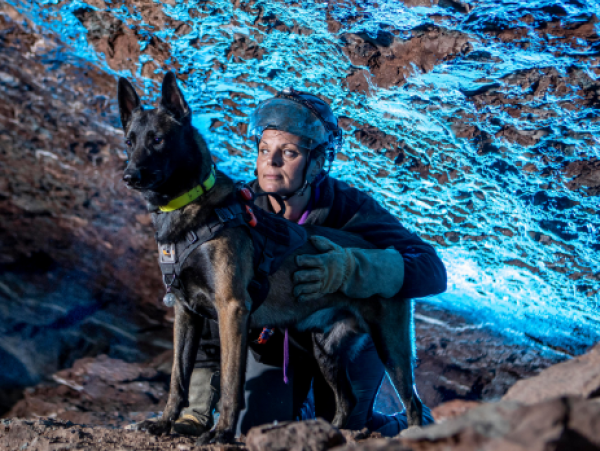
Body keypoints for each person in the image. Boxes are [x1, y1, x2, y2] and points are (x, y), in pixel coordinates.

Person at [171, 89, 447, 437]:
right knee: (258, 433)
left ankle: (397, 425)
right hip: (274, 347)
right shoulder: (234, 211)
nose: (271, 163)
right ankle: (297, 410)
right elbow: (207, 305)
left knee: (349, 430)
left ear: (317, 162)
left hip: (346, 341)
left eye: (288, 153)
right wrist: (196, 410)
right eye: (264, 150)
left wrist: (351, 268)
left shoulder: (350, 209)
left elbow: (432, 272)